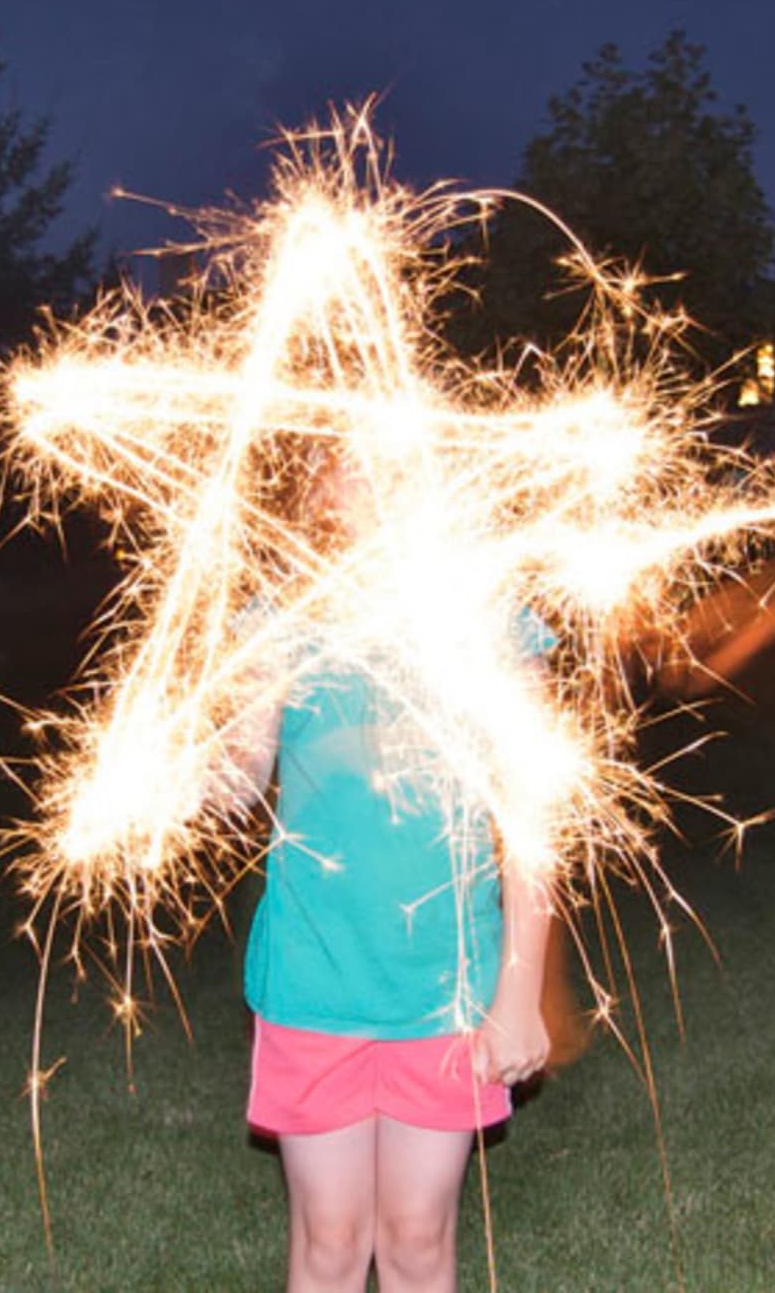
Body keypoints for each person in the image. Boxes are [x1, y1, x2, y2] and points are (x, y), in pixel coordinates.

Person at [230, 451, 555, 1292]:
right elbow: (232, 788)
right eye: (352, 465)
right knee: (330, 1243)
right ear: (321, 490)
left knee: (416, 1240)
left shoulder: (489, 623)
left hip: (447, 986)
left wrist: (518, 994)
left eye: (399, 461)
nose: (379, 481)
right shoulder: (283, 622)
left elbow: (535, 812)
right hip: (314, 978)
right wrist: (184, 748)